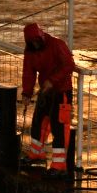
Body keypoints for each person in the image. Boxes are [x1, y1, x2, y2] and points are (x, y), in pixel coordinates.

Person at [21, 23, 76, 178]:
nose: (35, 45)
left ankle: (59, 166)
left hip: (62, 91)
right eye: (32, 43)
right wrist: (26, 92)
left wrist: (52, 81)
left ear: (41, 37)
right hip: (46, 91)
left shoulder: (57, 45)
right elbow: (28, 73)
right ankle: (36, 154)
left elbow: (69, 65)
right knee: (38, 122)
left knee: (59, 128)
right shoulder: (30, 52)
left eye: (37, 41)